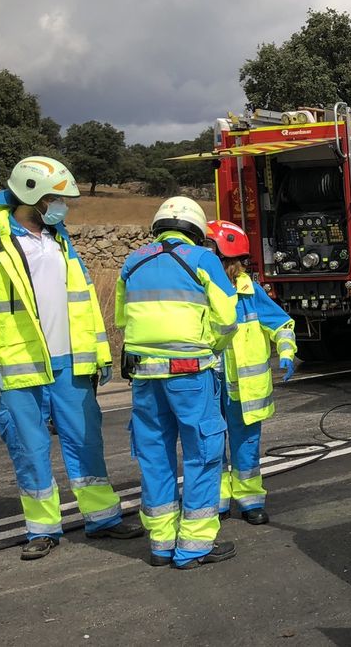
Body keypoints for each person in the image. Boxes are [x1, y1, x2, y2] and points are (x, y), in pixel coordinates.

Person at [0, 156, 142, 560]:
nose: (63, 206)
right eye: (56, 198)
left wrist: (98, 352)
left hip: (70, 363)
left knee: (86, 440)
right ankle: (42, 529)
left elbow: (84, 299)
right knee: (29, 447)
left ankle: (103, 518)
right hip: (17, 367)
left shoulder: (60, 238)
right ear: (31, 195)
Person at [116, 197, 238, 569]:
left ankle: (161, 543)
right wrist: (211, 348)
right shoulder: (203, 259)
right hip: (190, 374)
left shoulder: (132, 262)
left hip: (144, 377)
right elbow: (228, 316)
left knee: (154, 456)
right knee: (203, 454)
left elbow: (123, 318)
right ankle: (194, 547)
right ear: (197, 230)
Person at [205, 220, 296, 525]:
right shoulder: (196, 290)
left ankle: (249, 500)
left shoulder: (249, 291)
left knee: (245, 447)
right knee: (211, 444)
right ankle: (215, 500)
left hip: (243, 389)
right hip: (209, 383)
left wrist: (286, 351)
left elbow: (281, 324)